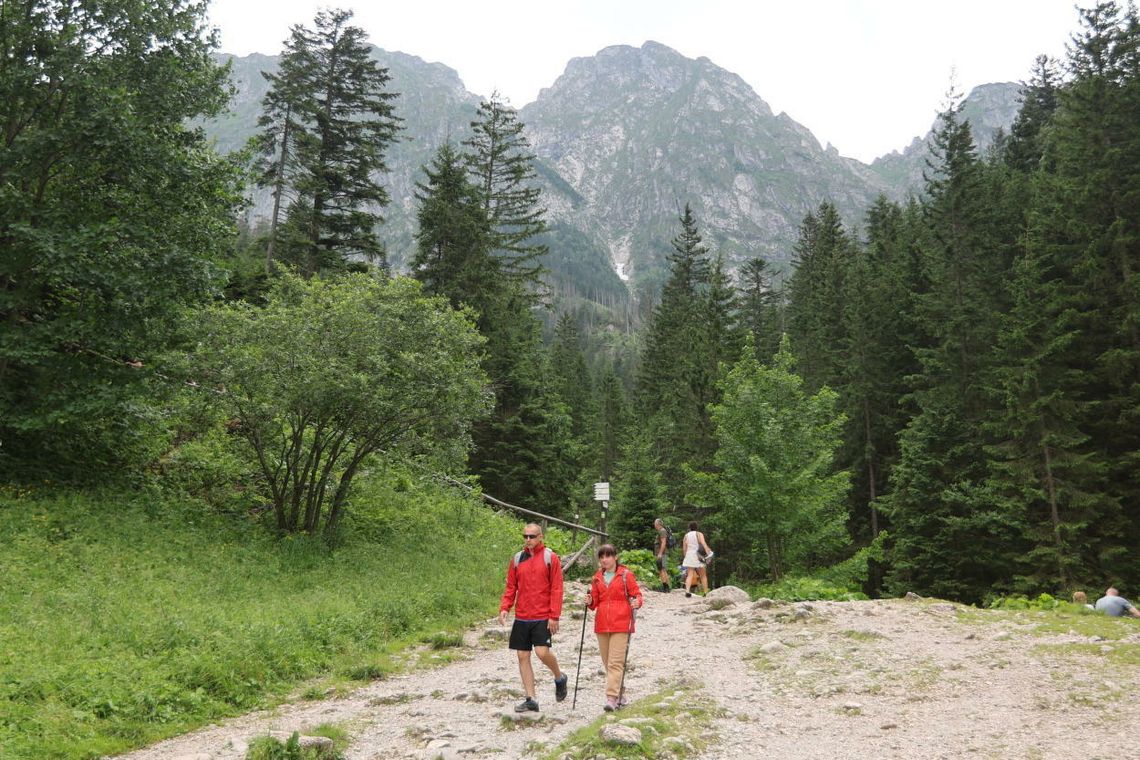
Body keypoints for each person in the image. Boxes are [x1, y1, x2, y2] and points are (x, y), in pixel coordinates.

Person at [499, 523, 569, 712]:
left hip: (542, 615)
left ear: (540, 537)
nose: (528, 540)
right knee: (522, 655)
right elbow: (511, 586)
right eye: (525, 536)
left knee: (542, 652)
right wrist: (505, 607)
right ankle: (531, 699)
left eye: (532, 536)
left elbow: (557, 587)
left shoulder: (550, 557)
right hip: (522, 615)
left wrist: (554, 615)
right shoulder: (517, 559)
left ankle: (559, 677)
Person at [585, 543, 643, 711]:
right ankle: (620, 693)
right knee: (607, 663)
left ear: (615, 557)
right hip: (602, 624)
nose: (604, 560)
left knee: (615, 663)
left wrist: (636, 602)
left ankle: (611, 698)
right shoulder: (597, 577)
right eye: (602, 557)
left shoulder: (626, 575)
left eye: (608, 556)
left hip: (621, 623)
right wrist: (589, 601)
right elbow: (595, 601)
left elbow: (637, 595)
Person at [681, 521, 713, 598]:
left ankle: (687, 591)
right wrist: (708, 553)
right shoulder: (699, 534)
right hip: (698, 555)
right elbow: (703, 543)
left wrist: (686, 556)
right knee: (703, 575)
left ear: (689, 528)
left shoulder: (686, 536)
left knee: (690, 574)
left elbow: (684, 548)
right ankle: (705, 592)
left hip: (689, 554)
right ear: (697, 527)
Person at [653, 518, 672, 592]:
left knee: (662, 569)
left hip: (662, 553)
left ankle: (665, 587)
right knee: (662, 569)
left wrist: (660, 553)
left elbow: (663, 542)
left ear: (658, 524)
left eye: (655, 523)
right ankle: (667, 587)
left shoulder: (662, 531)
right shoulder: (661, 531)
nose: (654, 525)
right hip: (661, 553)